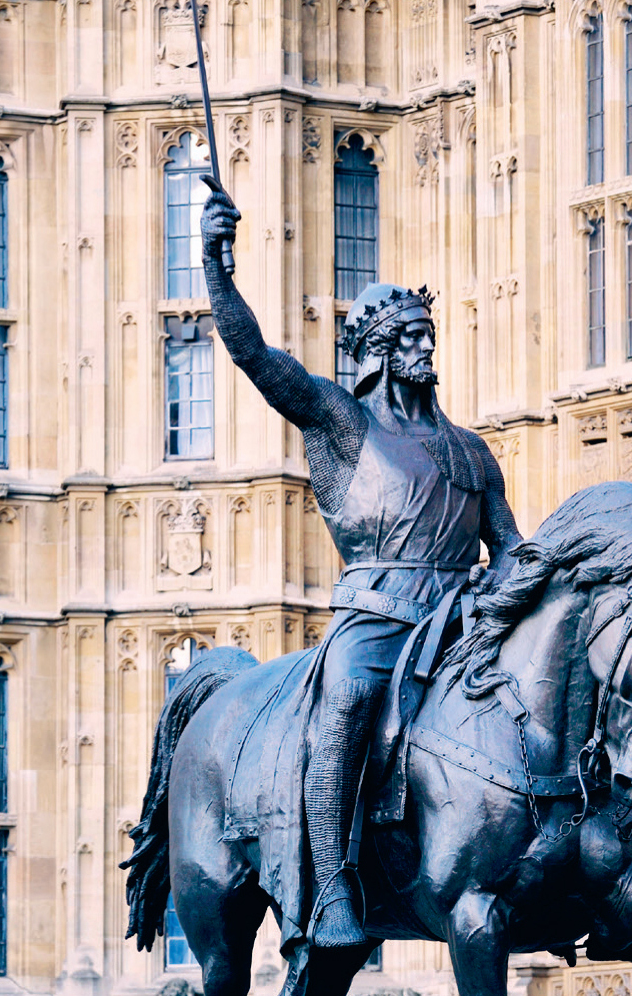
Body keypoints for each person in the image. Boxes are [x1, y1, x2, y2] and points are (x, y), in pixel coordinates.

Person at [200, 183, 523, 946]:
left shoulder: (470, 451)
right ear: (378, 352)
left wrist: (518, 589)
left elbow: (509, 547)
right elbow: (255, 356)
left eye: (427, 335)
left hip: (461, 622)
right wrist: (217, 268)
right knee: (343, 698)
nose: (426, 348)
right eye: (411, 337)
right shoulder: (344, 424)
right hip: (376, 621)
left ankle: (587, 877)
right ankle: (334, 885)